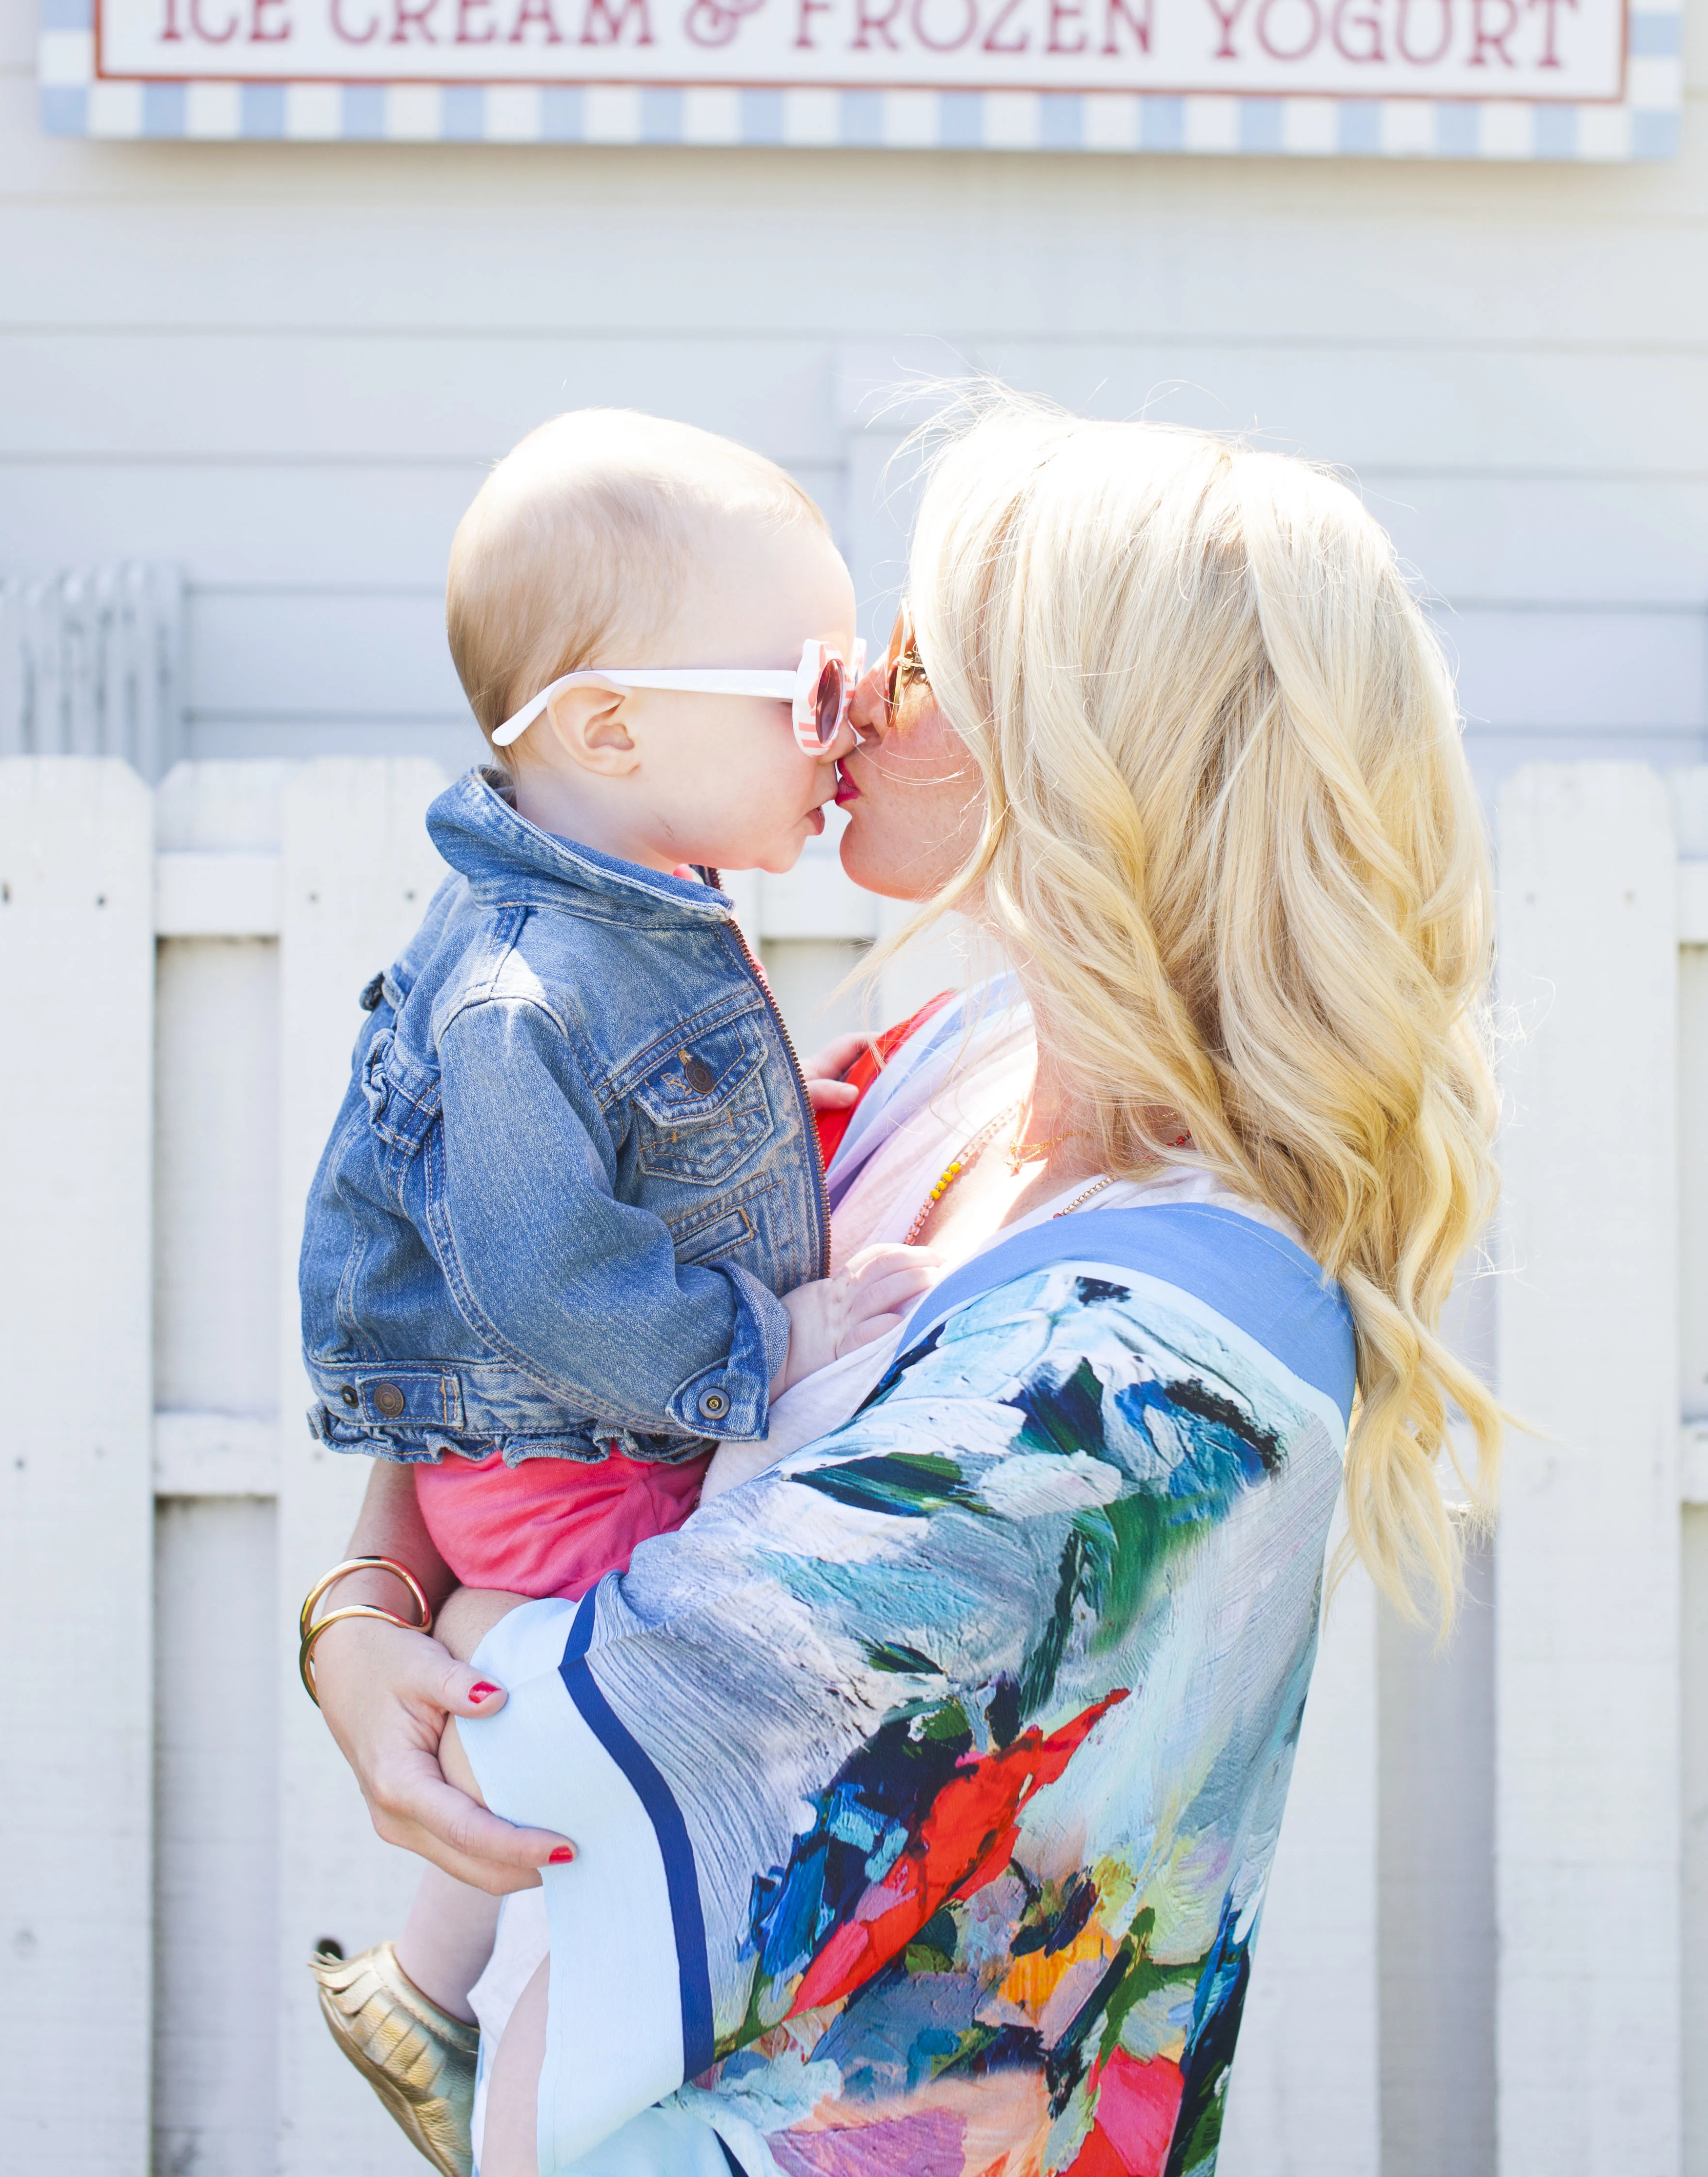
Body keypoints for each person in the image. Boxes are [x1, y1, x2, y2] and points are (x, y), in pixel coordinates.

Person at [310, 394, 1505, 2177]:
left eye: (913, 657)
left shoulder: (1160, 1358)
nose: (851, 697)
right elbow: (536, 1329)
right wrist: (360, 1595)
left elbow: (621, 1721)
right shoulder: (956, 1069)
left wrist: (405, 1648)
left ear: (1082, 737)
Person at [299, 409, 914, 2177]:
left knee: (609, 1786)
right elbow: (549, 1269)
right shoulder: (527, 984)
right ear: (614, 726)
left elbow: (647, 1156)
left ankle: (433, 1991)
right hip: (570, 1443)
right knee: (616, 1770)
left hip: (571, 1435)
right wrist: (771, 1339)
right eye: (808, 690)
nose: (852, 723)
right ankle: (548, 2098)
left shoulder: (638, 906)